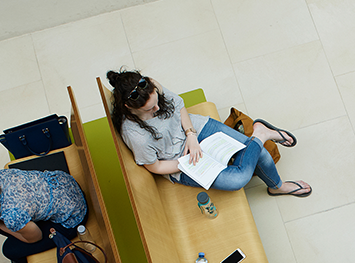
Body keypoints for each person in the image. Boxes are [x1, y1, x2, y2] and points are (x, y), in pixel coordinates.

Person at [107, 70, 310, 197]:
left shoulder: (150, 84)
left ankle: (277, 186)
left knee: (260, 152)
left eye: (157, 102)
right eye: (150, 109)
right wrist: (186, 160)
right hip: (179, 160)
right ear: (129, 107)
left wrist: (191, 135)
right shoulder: (136, 135)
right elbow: (155, 166)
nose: (158, 109)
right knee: (238, 179)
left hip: (196, 128)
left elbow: (179, 106)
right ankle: (261, 133)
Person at [0, 169, 87, 263]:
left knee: (10, 250)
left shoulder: (11, 216)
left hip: (73, 216)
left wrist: (2, 224)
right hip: (62, 181)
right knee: (1, 227)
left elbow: (35, 237)